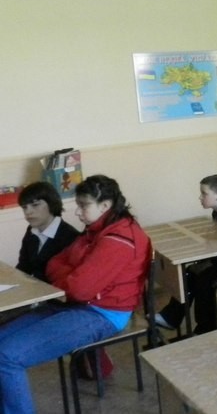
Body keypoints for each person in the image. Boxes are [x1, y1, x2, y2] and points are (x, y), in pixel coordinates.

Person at [0, 175, 151, 414]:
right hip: (75, 304)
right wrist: (71, 277)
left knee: (6, 356)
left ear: (105, 205)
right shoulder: (95, 230)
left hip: (102, 314)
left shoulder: (119, 239)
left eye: (83, 205)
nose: (78, 212)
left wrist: (70, 278)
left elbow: (79, 289)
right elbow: (54, 263)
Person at [154, 174, 217, 334]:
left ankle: (206, 328)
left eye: (204, 193)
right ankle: (172, 317)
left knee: (204, 278)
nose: (200, 197)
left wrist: (209, 261)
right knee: (189, 272)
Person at [16, 181, 80, 281]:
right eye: (24, 207)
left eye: (35, 205)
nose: (27, 212)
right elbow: (23, 267)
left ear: (51, 204)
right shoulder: (31, 231)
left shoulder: (71, 237)